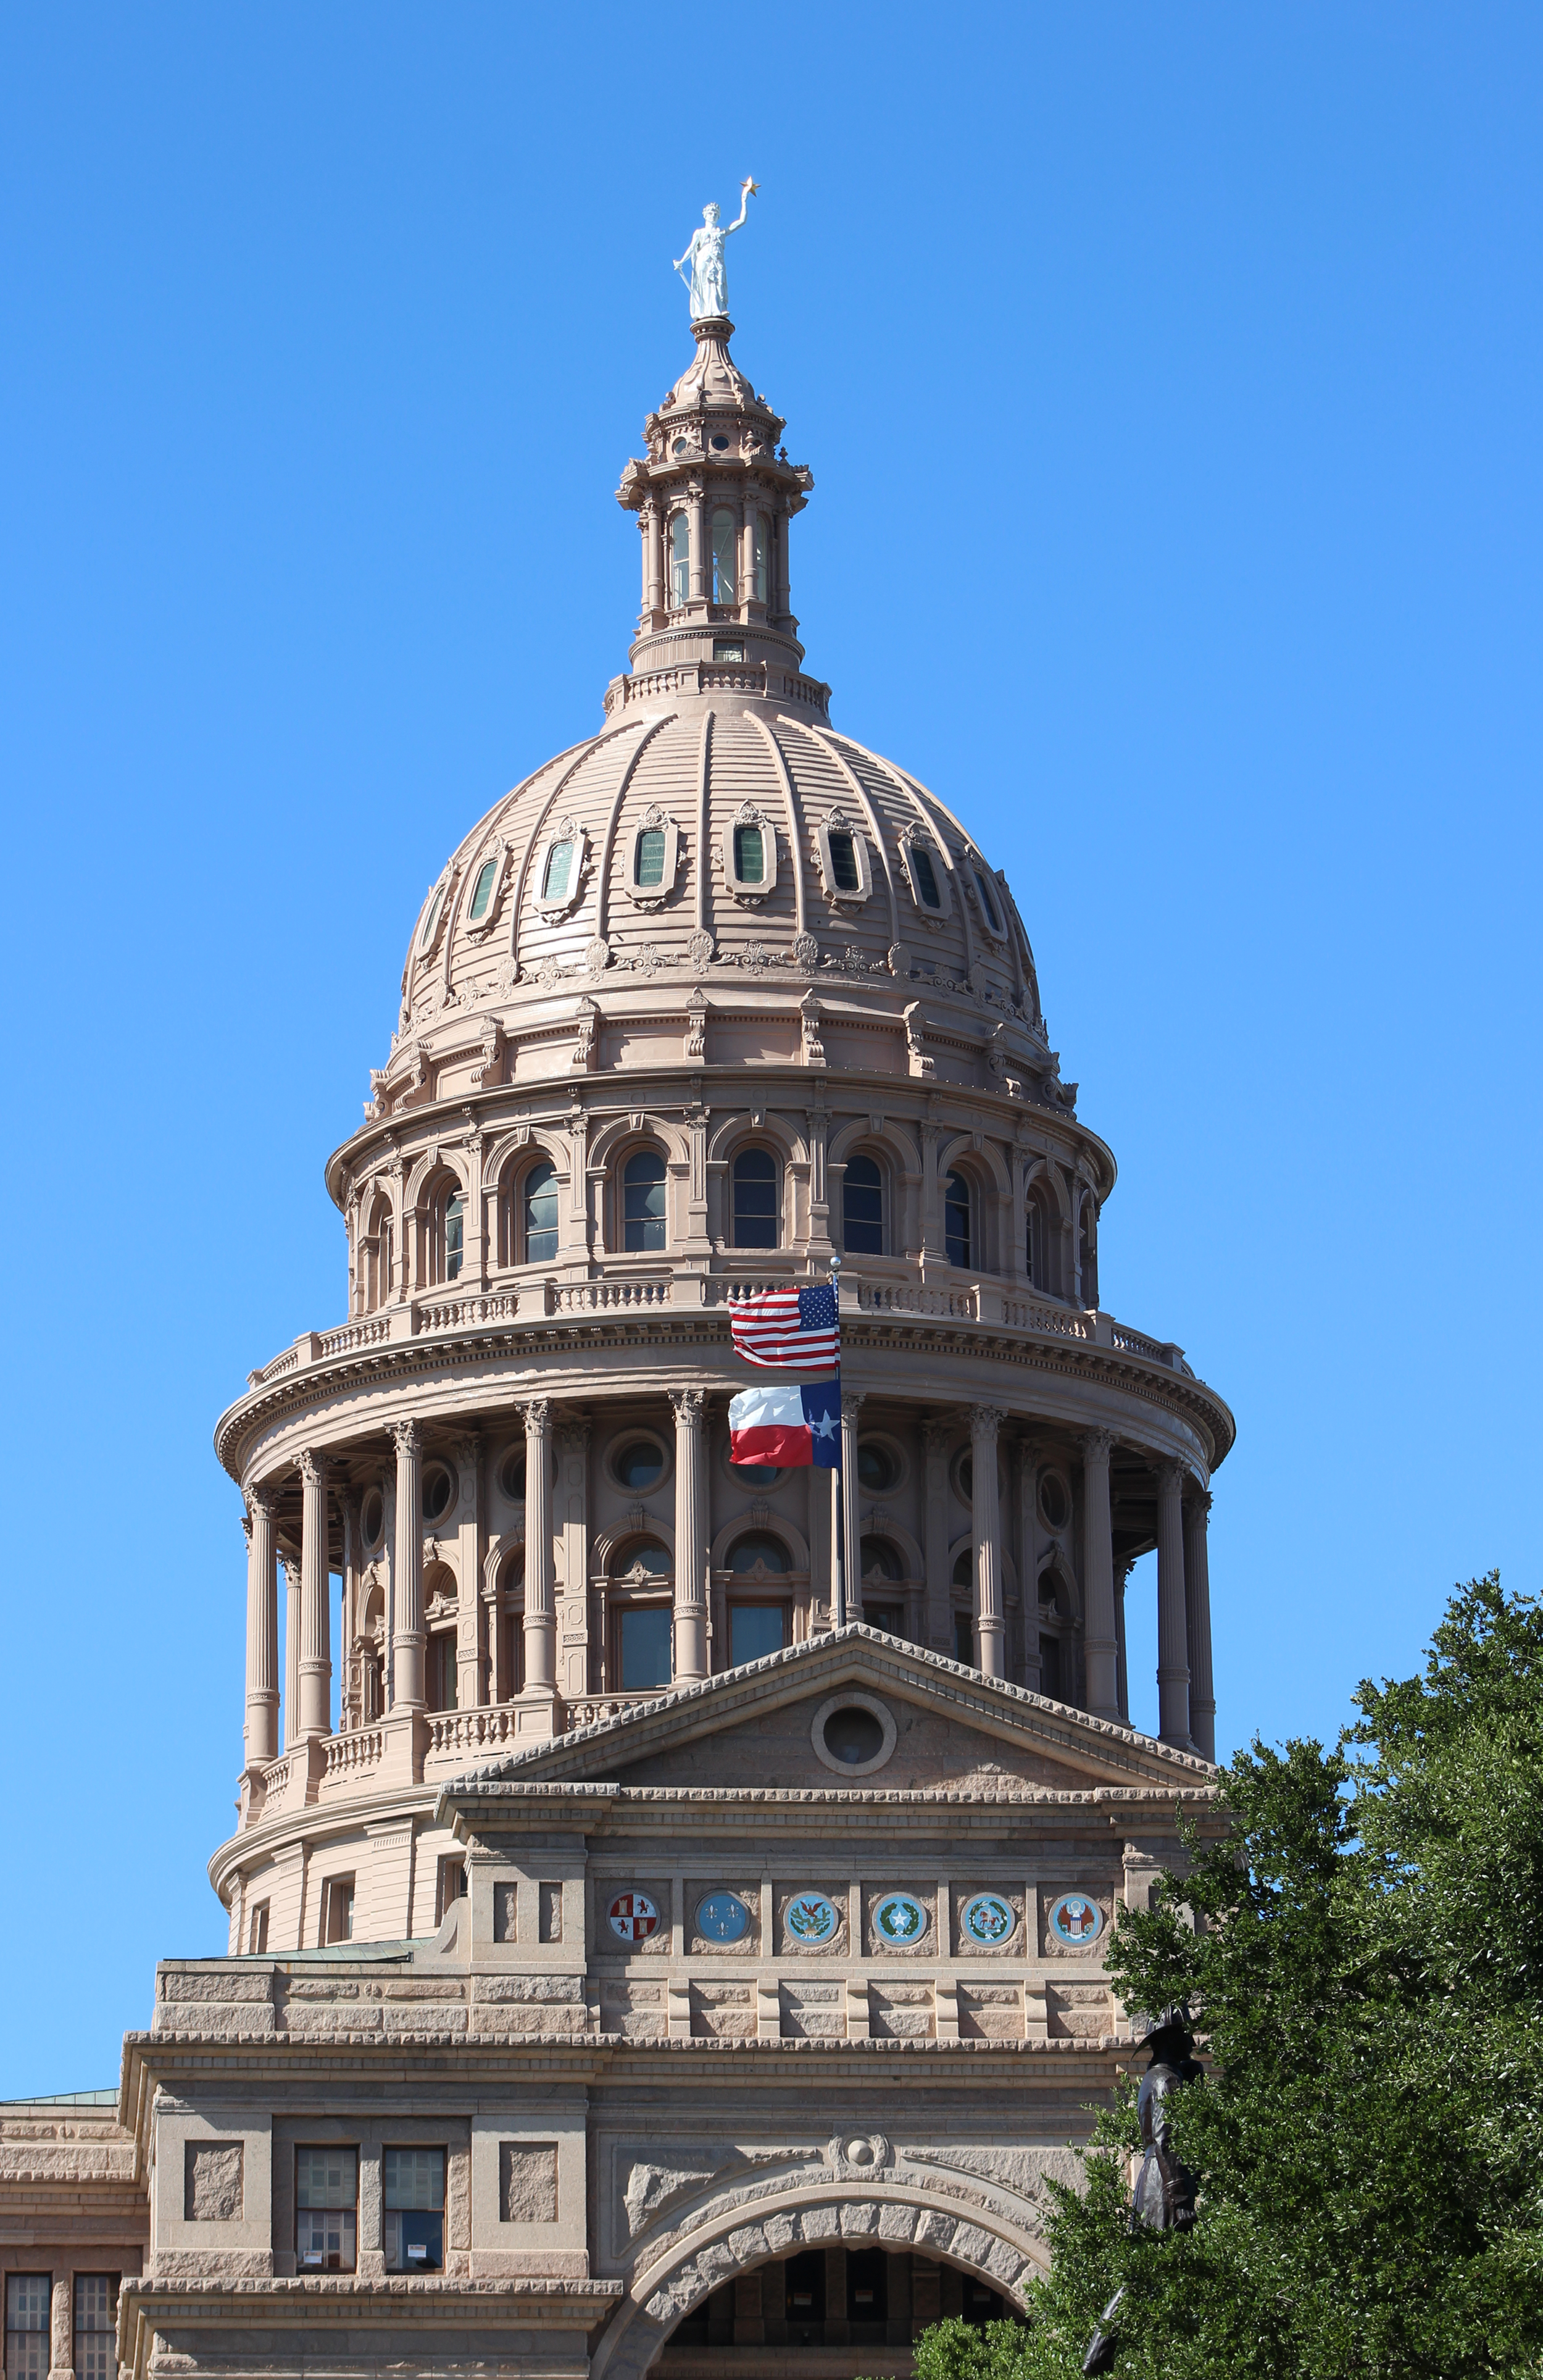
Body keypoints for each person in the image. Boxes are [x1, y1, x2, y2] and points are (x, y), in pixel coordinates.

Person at [1082, 2008, 1204, 2376]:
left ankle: (1103, 2351)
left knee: (1154, 2273)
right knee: (1145, 2274)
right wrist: (1180, 2199)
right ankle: (1099, 2353)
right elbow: (1166, 2142)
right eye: (1183, 2035)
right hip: (1163, 2185)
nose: (1191, 2041)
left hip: (1156, 2180)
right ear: (1170, 2040)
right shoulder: (1165, 2081)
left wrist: (1194, 2079)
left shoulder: (1159, 2077)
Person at [673, 182, 757, 320]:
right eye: (710, 213)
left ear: (718, 216)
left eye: (715, 213)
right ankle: (706, 311)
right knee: (706, 285)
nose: (713, 215)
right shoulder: (700, 232)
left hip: (718, 261)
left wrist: (744, 200)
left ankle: (718, 309)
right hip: (704, 260)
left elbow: (742, 221)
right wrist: (682, 261)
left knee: (719, 285)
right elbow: (692, 248)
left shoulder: (722, 231)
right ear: (705, 215)